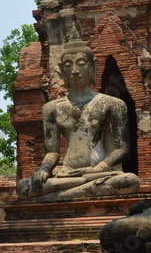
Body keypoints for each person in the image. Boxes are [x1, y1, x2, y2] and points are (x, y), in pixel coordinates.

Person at [16, 38, 140, 201]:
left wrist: (98, 169)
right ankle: (77, 191)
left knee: (128, 181)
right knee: (23, 187)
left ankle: (59, 197)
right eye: (68, 65)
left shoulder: (112, 104)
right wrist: (44, 170)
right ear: (61, 70)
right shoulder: (52, 108)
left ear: (93, 66)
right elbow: (52, 152)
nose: (74, 70)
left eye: (81, 63)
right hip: (67, 175)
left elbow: (122, 149)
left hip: (100, 173)